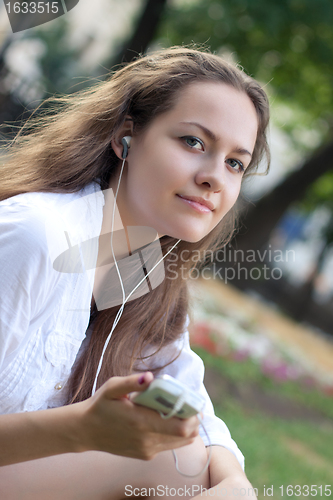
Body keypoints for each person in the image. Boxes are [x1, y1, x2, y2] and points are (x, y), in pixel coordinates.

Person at [0, 46, 269, 499]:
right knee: (174, 468)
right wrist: (81, 430)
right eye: (193, 142)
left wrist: (235, 482)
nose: (214, 178)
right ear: (125, 137)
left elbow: (191, 408)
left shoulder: (143, 271)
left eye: (235, 163)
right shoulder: (36, 235)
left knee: (197, 467)